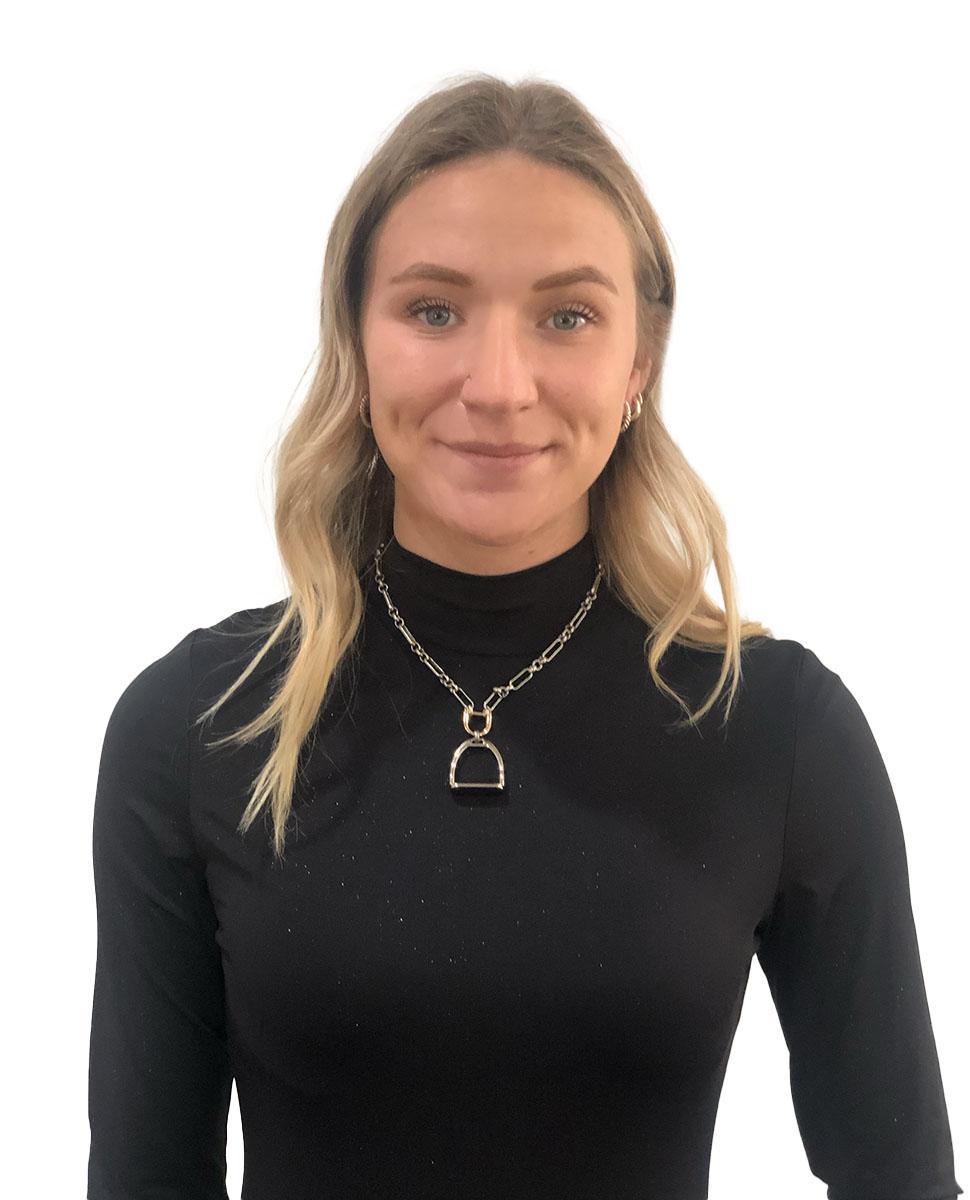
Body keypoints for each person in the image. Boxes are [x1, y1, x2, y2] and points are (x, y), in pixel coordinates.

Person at [87, 74, 962, 1200]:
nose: (499, 386)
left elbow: (900, 1179)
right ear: (355, 342)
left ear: (640, 361)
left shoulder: (779, 730)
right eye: (433, 310)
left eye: (567, 316)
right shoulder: (199, 725)